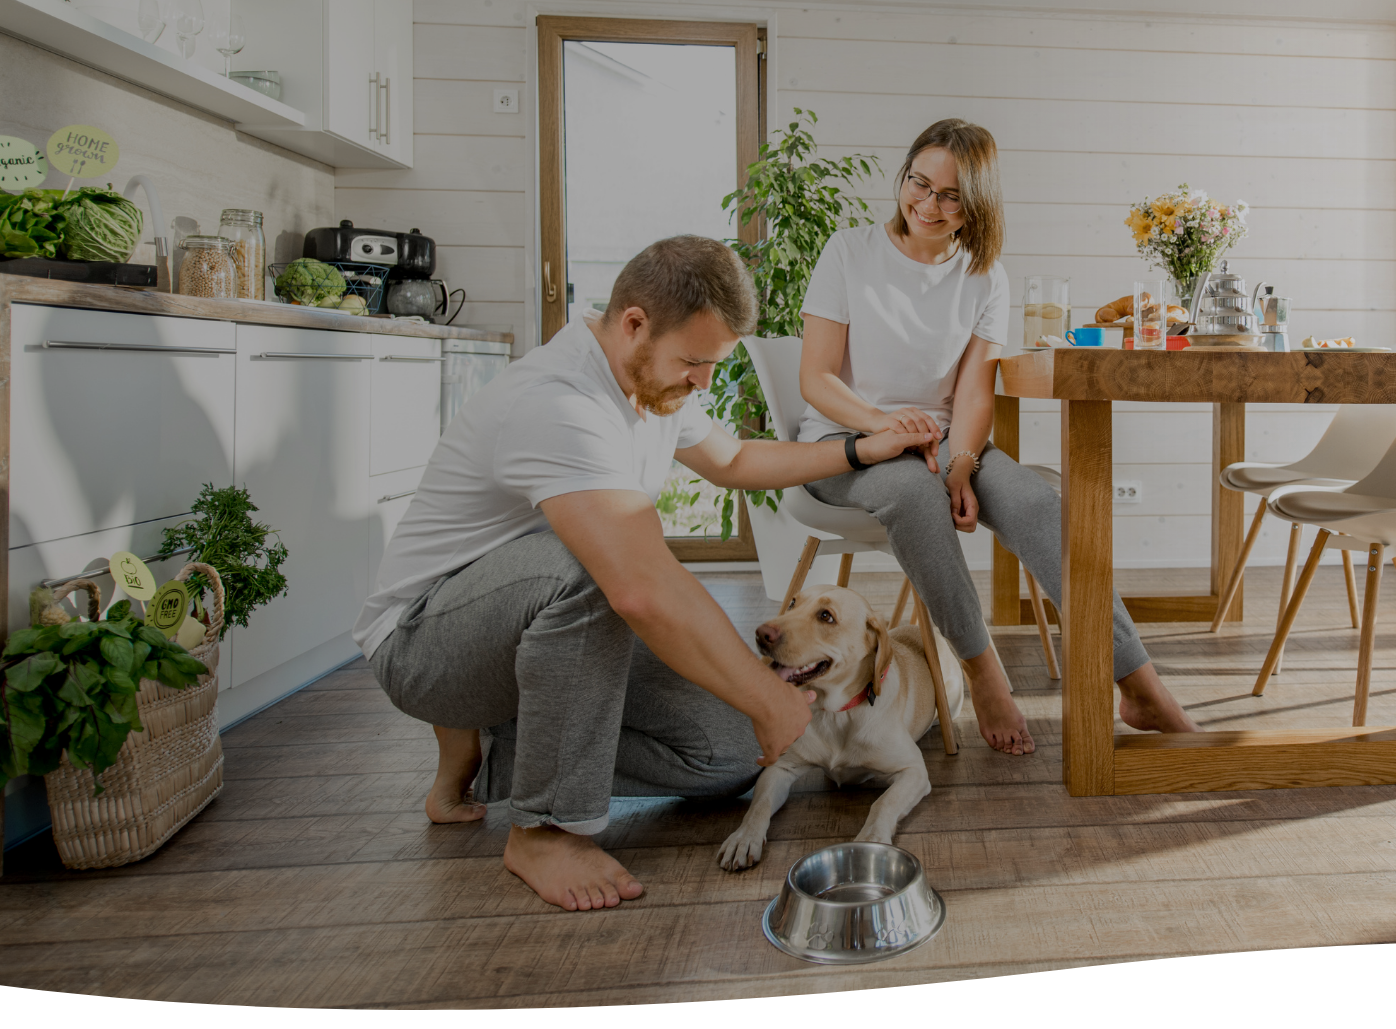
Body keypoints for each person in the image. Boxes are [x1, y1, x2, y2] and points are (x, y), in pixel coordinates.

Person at [353, 235, 935, 911]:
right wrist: (769, 694)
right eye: (694, 361)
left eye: (712, 364)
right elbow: (636, 585)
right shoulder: (560, 403)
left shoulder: (651, 385)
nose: (703, 383)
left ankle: (503, 755)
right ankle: (544, 827)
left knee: (730, 752)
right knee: (601, 568)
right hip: (425, 645)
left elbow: (738, 461)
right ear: (634, 323)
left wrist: (865, 447)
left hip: (533, 640)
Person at [797, 118, 1198, 756]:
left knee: (1040, 505)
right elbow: (816, 378)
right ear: (903, 176)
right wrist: (886, 426)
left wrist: (961, 463)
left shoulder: (985, 273)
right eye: (918, 184)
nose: (928, 205)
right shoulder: (849, 253)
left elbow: (975, 389)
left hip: (943, 442)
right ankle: (984, 673)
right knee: (911, 491)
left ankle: (1140, 683)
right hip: (846, 442)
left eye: (950, 196)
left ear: (977, 204)